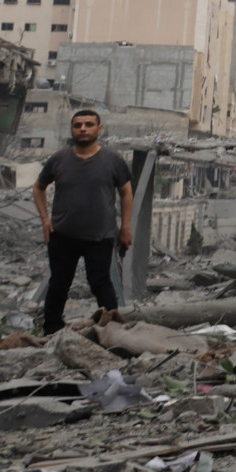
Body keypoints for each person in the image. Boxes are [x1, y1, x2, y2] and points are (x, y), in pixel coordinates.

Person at [33, 108, 134, 333]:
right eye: (78, 125)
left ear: (99, 129)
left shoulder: (113, 160)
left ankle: (113, 329)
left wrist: (125, 227)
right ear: (72, 129)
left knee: (100, 282)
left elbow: (126, 193)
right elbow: (39, 187)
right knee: (59, 283)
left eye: (88, 124)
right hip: (62, 234)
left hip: (100, 235)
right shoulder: (59, 159)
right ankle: (51, 329)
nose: (83, 129)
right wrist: (44, 219)